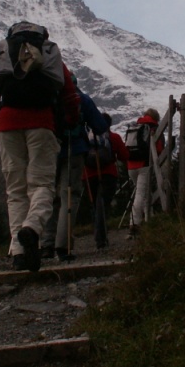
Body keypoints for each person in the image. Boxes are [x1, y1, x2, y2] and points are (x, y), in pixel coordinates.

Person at [0, 21, 79, 272]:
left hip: (8, 126)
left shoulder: (6, 57)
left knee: (15, 191)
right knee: (42, 185)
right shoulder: (50, 57)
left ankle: (18, 253)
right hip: (42, 125)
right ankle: (32, 228)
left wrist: (2, 116)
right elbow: (70, 96)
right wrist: (69, 121)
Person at [41, 75, 107, 261]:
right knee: (70, 195)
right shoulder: (82, 99)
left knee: (48, 195)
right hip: (75, 149)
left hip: (49, 150)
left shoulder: (48, 98)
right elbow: (100, 126)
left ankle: (46, 244)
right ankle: (63, 246)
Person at [82, 113, 130, 249]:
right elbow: (124, 156)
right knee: (103, 204)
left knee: (94, 205)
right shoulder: (114, 137)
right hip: (108, 174)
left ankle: (98, 236)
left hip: (88, 175)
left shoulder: (87, 138)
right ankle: (101, 239)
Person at [127, 108, 162, 238]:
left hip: (130, 165)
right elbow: (159, 148)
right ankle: (134, 223)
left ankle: (149, 218)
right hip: (144, 164)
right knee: (140, 194)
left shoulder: (135, 126)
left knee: (144, 192)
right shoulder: (153, 127)